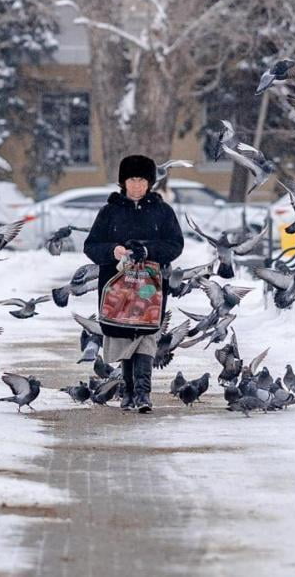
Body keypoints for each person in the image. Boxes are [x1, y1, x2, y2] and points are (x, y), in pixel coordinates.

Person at [83, 155, 184, 413]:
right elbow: (91, 247)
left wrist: (148, 251)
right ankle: (127, 392)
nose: (137, 185)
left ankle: (143, 394)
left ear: (149, 182)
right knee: (123, 336)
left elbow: (175, 245)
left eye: (142, 179)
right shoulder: (109, 212)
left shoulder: (162, 212)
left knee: (147, 334)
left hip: (151, 287)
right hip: (117, 288)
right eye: (132, 179)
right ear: (123, 182)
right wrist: (113, 251)